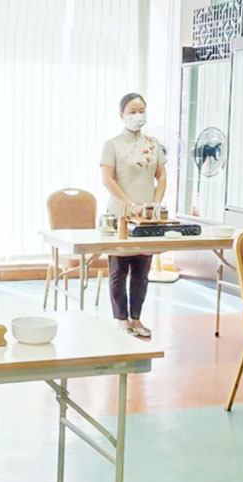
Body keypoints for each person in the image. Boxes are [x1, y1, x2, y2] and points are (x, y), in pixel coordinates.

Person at [100, 93, 167, 338]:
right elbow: (107, 179)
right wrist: (129, 205)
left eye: (141, 110)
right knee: (119, 270)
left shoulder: (154, 144)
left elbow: (162, 176)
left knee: (142, 271)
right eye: (132, 111)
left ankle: (137, 318)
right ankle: (122, 319)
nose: (138, 115)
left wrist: (155, 205)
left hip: (147, 217)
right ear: (122, 114)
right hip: (121, 214)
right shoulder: (112, 145)